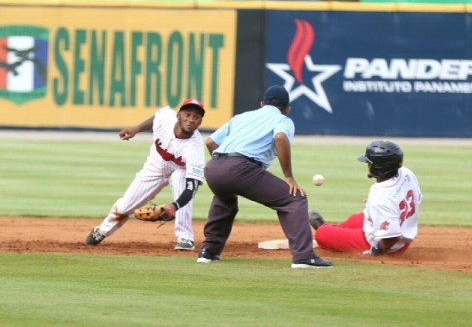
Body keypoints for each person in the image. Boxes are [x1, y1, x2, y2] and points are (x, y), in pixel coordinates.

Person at [197, 85, 333, 268]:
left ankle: (209, 252)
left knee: (225, 199)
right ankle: (304, 256)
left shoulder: (241, 117)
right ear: (287, 109)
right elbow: (280, 138)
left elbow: (211, 141)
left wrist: (223, 166)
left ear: (262, 104)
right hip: (241, 167)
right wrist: (289, 177)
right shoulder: (284, 120)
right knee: (295, 198)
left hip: (213, 168)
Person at [84, 99, 207, 251]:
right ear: (178, 115)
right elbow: (156, 118)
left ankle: (185, 237)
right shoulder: (166, 118)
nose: (191, 120)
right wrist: (136, 128)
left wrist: (173, 207)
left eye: (196, 117)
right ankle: (102, 231)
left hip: (179, 171)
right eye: (187, 114)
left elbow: (192, 187)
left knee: (180, 179)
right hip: (155, 167)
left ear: (200, 122)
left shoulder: (195, 150)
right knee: (125, 205)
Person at [309, 140, 422, 256]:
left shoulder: (381, 196)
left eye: (369, 163)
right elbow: (416, 198)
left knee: (322, 234)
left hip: (388, 245)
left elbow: (392, 238)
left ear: (378, 168)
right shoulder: (407, 173)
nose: (368, 165)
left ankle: (326, 231)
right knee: (354, 219)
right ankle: (335, 231)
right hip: (404, 228)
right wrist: (381, 206)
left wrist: (375, 251)